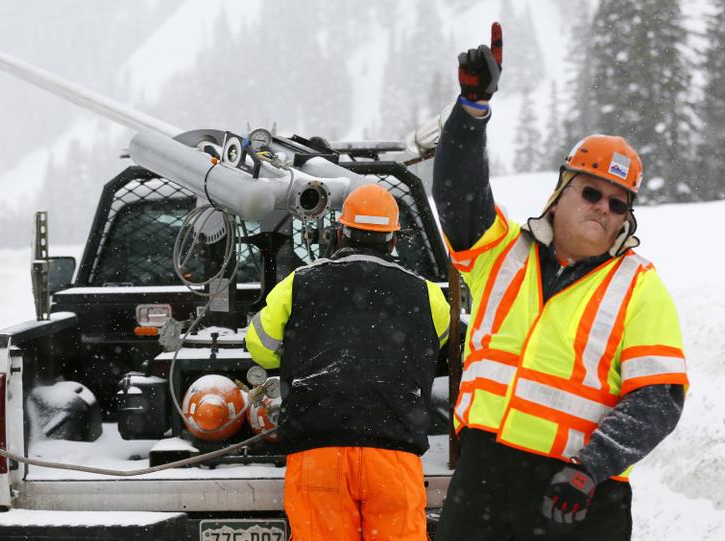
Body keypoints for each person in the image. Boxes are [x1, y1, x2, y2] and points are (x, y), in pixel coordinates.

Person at [432, 23, 689, 540]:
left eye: (619, 203)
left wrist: (591, 467)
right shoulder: (503, 250)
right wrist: (472, 110)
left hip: (577, 495)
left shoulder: (639, 285)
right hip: (484, 478)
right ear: (561, 192)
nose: (604, 208)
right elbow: (458, 192)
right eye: (592, 193)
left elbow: (659, 397)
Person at [245, 184, 451, 541]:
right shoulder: (427, 294)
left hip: (317, 451)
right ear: (392, 240)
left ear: (340, 232)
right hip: (394, 454)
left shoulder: (299, 283)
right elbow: (439, 344)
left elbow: (259, 347)